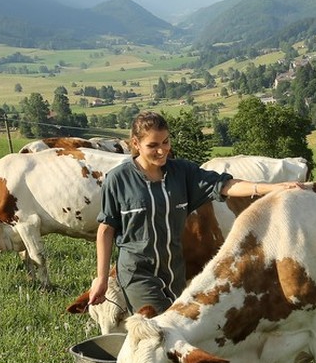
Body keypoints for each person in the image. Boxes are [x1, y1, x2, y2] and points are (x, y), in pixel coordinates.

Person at [86, 111, 303, 314]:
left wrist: (271, 188)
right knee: (159, 329)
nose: (162, 151)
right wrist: (102, 279)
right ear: (136, 143)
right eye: (153, 145)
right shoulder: (118, 180)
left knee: (171, 333)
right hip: (137, 273)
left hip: (175, 273)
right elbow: (106, 229)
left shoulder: (182, 173)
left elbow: (225, 185)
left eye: (166, 142)